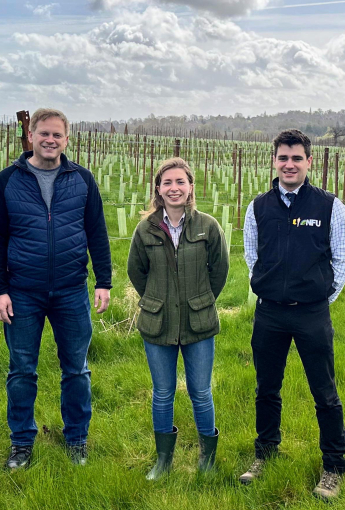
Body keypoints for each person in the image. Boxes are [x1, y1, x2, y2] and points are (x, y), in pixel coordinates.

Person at [0, 108, 112, 469]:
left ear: (66, 139)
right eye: (44, 134)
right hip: (22, 292)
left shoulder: (82, 180)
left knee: (77, 370)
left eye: (57, 135)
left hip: (72, 290)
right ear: (31, 136)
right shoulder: (7, 181)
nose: (50, 140)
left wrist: (103, 281)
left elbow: (97, 233)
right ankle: (22, 442)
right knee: (22, 369)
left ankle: (77, 440)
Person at [240, 129, 345, 500]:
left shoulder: (330, 207)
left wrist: (316, 298)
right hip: (269, 313)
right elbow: (252, 258)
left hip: (311, 315)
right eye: (283, 158)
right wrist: (274, 291)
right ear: (274, 160)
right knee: (266, 388)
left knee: (325, 392)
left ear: (309, 162)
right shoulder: (258, 207)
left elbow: (342, 263)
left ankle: (333, 466)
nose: (290, 164)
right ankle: (265, 452)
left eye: (297, 158)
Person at [127, 157, 229, 480]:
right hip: (158, 323)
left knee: (200, 391)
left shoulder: (208, 227)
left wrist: (200, 300)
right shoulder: (145, 230)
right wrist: (157, 300)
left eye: (180, 182)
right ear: (158, 189)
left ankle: (207, 460)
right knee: (162, 392)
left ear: (190, 188)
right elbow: (136, 272)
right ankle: (163, 461)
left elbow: (220, 271)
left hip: (199, 324)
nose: (174, 188)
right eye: (167, 183)